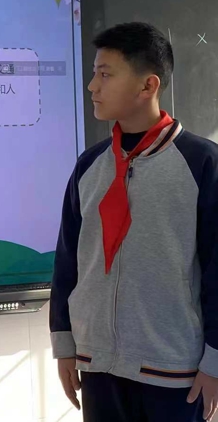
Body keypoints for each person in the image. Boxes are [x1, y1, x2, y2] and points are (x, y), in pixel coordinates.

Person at [50, 22, 218, 421]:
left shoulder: (201, 163)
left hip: (173, 370)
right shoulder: (90, 165)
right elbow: (68, 261)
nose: (92, 86)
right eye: (94, 73)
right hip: (98, 364)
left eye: (105, 74)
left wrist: (215, 361)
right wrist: (65, 345)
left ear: (148, 85)